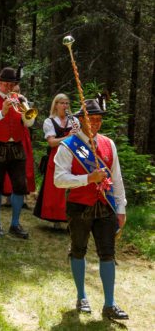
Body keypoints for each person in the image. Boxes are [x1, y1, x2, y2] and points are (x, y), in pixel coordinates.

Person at [54, 98, 128, 320]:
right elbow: (59, 179)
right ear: (80, 120)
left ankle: (110, 304)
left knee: (108, 253)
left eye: (98, 119)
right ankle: (81, 296)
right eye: (91, 119)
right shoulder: (68, 146)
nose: (95, 123)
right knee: (78, 250)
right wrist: (88, 178)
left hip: (105, 207)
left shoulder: (108, 144)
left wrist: (121, 207)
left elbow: (116, 177)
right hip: (79, 207)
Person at [0, 67, 35, 239]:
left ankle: (15, 224)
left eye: (11, 84)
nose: (8, 87)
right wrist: (2, 112)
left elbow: (29, 123)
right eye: (5, 84)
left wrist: (26, 111)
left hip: (17, 147)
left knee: (20, 186)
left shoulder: (20, 99)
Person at [33, 94, 79, 226]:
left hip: (72, 155)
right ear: (56, 105)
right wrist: (68, 137)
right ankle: (55, 218)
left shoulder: (74, 120)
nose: (65, 106)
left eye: (67, 103)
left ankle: (70, 217)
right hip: (56, 156)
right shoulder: (50, 121)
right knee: (55, 188)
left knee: (72, 186)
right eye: (62, 103)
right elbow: (52, 142)